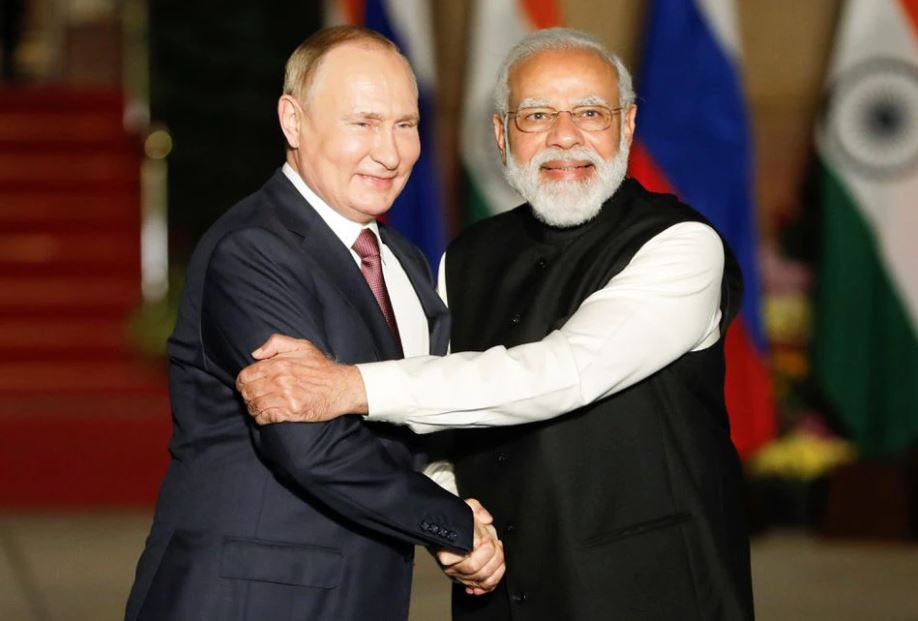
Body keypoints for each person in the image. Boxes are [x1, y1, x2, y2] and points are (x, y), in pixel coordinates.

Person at [238, 27, 754, 621]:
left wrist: (349, 386)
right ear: (501, 133)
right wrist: (456, 522)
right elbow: (438, 427)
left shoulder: (682, 245)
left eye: (591, 112)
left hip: (653, 594)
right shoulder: (466, 257)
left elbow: (568, 371)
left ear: (629, 126)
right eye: (537, 115)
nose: (566, 137)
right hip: (498, 599)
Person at [124, 26, 504, 621]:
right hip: (249, 598)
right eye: (363, 123)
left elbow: (412, 430)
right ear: (293, 122)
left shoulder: (404, 260)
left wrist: (453, 503)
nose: (390, 151)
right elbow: (311, 444)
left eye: (405, 124)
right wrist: (453, 525)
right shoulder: (253, 249)